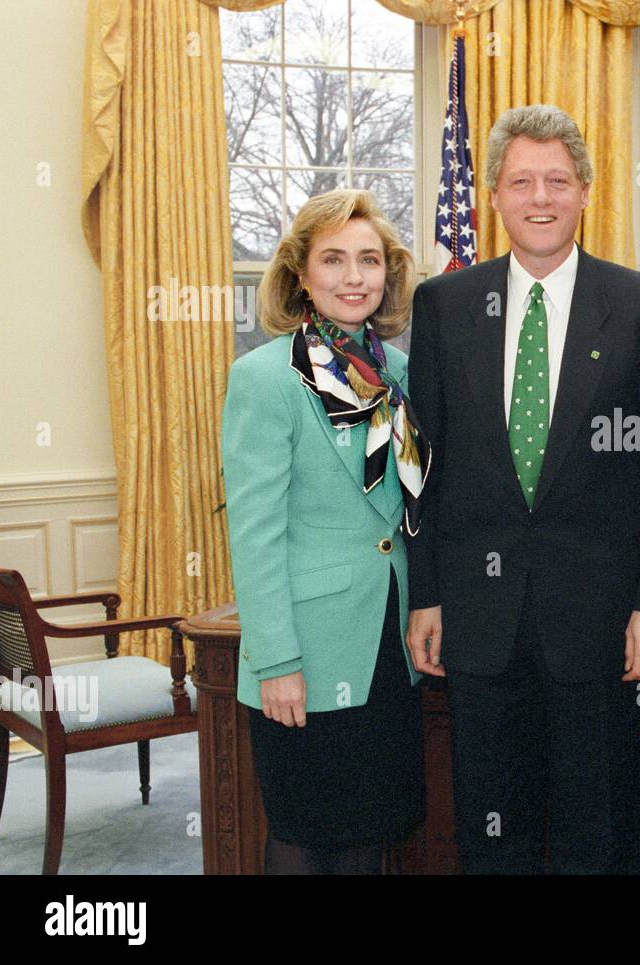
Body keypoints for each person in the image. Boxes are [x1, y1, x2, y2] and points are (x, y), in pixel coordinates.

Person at [405, 104, 640, 874]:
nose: (541, 197)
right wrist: (426, 594)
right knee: (490, 832)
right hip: (477, 617)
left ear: (585, 191)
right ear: (492, 195)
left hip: (603, 625)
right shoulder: (444, 306)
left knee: (596, 832)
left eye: (558, 181)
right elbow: (419, 466)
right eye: (523, 181)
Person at [222, 188, 430, 875]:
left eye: (369, 259)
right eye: (334, 259)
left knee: (371, 830)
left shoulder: (398, 374)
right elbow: (255, 535)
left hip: (383, 645)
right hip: (305, 654)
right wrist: (276, 660)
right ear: (302, 275)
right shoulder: (265, 378)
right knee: (306, 835)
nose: (354, 276)